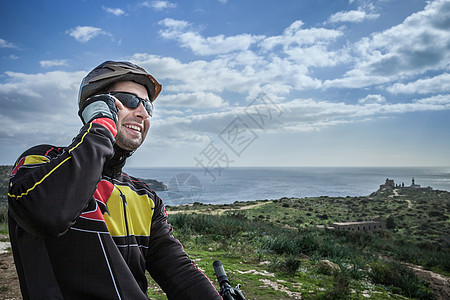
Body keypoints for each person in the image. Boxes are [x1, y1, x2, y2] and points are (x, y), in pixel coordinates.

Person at [8, 61, 222, 299]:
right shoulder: (42, 161)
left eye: (147, 106)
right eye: (130, 101)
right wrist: (100, 125)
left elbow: (179, 271)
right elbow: (47, 214)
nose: (142, 112)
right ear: (97, 104)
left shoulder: (144, 196)